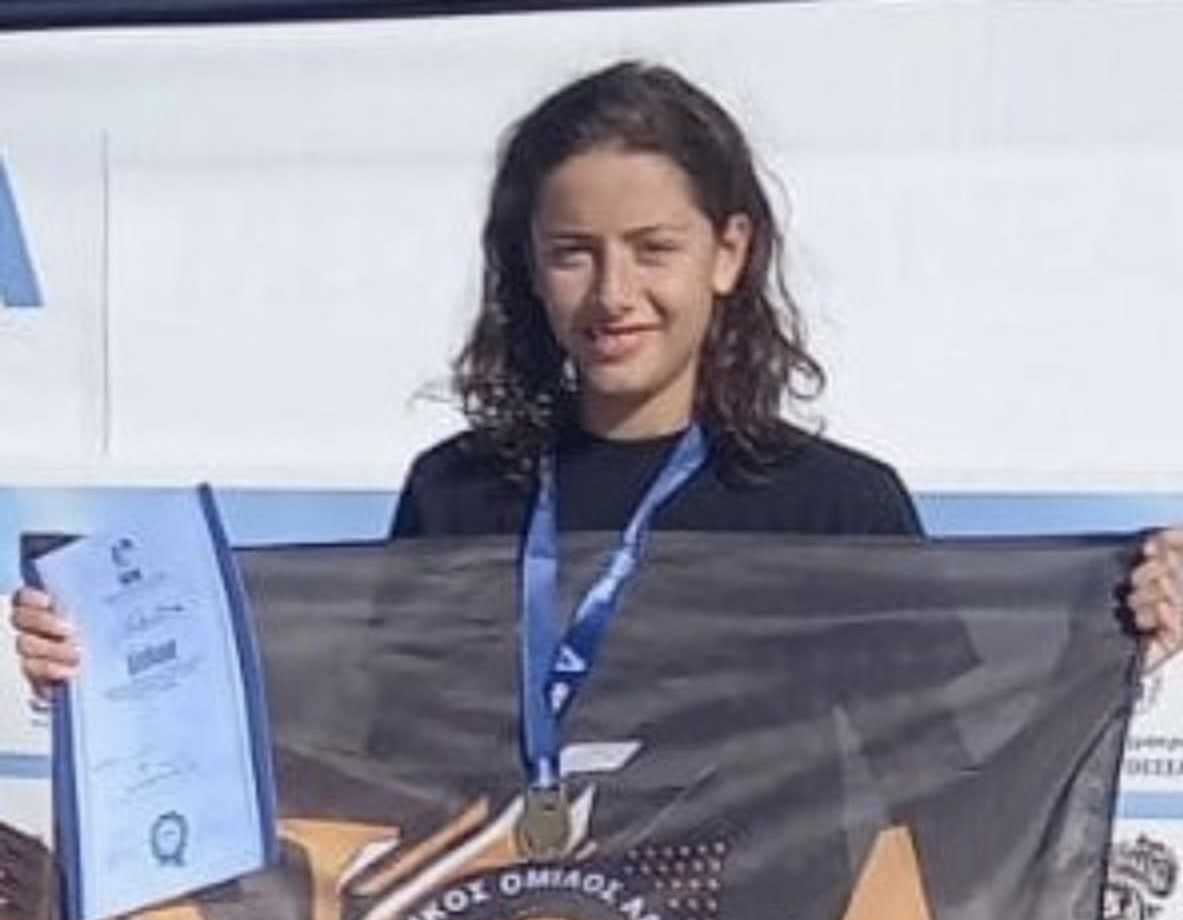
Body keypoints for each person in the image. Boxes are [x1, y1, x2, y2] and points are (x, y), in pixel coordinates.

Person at [10, 60, 1183, 675]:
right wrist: (117, 663)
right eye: (573, 252)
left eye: (653, 248)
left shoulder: (838, 507)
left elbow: (957, 778)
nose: (614, 293)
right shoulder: (459, 492)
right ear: (526, 265)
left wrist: (1119, 631)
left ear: (729, 252)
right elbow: (362, 748)